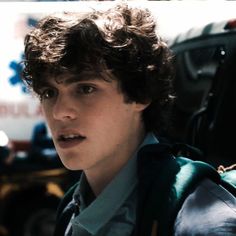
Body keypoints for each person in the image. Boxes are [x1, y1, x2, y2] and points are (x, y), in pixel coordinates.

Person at [22, 3, 236, 236]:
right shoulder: (71, 208)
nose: (59, 112)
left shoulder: (204, 223)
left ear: (140, 94)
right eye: (49, 93)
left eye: (85, 88)